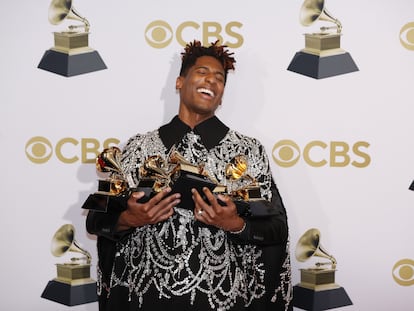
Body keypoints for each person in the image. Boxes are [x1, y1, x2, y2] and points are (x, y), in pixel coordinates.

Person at [86, 40, 292, 311]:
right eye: (203, 71)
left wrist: (235, 224)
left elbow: (277, 228)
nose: (212, 80)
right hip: (141, 299)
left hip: (221, 301)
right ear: (180, 82)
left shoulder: (247, 150)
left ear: (221, 94)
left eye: (219, 78)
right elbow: (96, 220)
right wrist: (129, 218)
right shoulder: (138, 147)